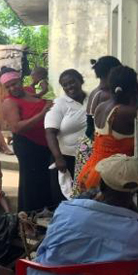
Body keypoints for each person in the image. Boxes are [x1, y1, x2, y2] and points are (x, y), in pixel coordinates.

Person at [75, 66, 138, 195]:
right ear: (132, 89)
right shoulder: (125, 112)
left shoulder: (101, 107)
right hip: (112, 176)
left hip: (93, 169)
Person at [0, 68, 56, 212]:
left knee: (47, 182)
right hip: (28, 146)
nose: (13, 88)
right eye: (8, 86)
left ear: (20, 80)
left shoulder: (31, 90)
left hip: (46, 145)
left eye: (15, 83)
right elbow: (16, 128)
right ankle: (29, 219)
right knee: (32, 184)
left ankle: (48, 216)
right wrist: (43, 113)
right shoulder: (9, 102)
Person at [45, 69, 87, 204]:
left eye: (72, 82)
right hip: (65, 159)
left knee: (86, 197)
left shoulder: (91, 99)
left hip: (88, 157)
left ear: (80, 81)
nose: (69, 87)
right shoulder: (59, 104)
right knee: (64, 198)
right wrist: (58, 158)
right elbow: (50, 133)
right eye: (65, 85)